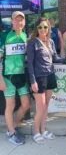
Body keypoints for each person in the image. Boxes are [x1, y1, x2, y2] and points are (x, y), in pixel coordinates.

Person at [27, 17, 66, 144]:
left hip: (50, 75)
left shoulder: (51, 42)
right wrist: (33, 81)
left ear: (49, 28)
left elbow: (55, 58)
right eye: (40, 27)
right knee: (40, 108)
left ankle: (43, 129)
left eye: (45, 27)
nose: (43, 29)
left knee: (46, 106)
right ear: (36, 29)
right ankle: (36, 131)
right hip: (39, 77)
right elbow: (30, 64)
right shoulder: (32, 42)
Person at [2, 11, 30, 145]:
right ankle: (12, 132)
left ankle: (12, 125)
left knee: (26, 105)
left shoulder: (25, 36)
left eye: (21, 20)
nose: (19, 22)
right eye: (16, 20)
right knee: (10, 105)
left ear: (24, 22)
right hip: (8, 77)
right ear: (12, 21)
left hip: (21, 75)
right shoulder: (4, 36)